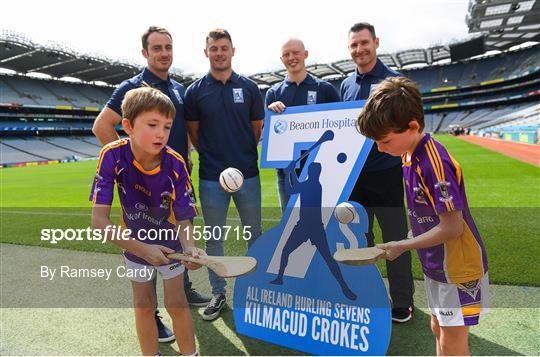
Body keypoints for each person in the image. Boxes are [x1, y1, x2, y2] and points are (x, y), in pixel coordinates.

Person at [91, 26, 210, 343]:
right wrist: (132, 166)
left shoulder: (178, 90)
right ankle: (154, 324)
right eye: (157, 47)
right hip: (138, 226)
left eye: (169, 47)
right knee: (144, 302)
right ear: (145, 52)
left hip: (173, 194)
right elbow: (102, 125)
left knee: (178, 295)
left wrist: (189, 247)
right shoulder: (131, 87)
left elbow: (184, 217)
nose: (164, 53)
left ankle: (181, 296)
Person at [357, 76, 489, 356]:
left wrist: (402, 245)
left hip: (457, 267)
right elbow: (424, 214)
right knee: (437, 329)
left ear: (413, 126)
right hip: (436, 263)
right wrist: (409, 237)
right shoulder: (407, 156)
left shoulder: (433, 162)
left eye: (384, 141)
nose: (380, 149)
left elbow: (452, 227)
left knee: (453, 341)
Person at [184, 28, 264, 321]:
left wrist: (240, 155)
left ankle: (254, 291)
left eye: (224, 48)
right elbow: (194, 133)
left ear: (233, 50)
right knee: (214, 236)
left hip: (248, 174)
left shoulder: (251, 88)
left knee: (254, 234)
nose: (219, 53)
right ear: (206, 52)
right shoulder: (195, 91)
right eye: (214, 48)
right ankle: (219, 293)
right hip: (210, 177)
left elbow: (257, 129)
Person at [340, 22, 414, 322]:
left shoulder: (394, 81)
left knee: (395, 239)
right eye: (354, 45)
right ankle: (368, 295)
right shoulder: (344, 85)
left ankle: (402, 301)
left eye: (364, 43)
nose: (360, 49)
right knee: (360, 240)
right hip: (354, 177)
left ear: (376, 42)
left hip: (387, 173)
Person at [265, 38, 340, 212]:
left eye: (296, 53)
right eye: (286, 54)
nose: (291, 57)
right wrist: (271, 114)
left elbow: (338, 128)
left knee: (324, 222)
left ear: (305, 54)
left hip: (320, 171)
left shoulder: (325, 89)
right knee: (290, 225)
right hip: (287, 173)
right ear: (282, 59)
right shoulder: (273, 94)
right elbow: (271, 135)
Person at [270, 160, 357, 301]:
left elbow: (291, 189)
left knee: (328, 259)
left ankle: (344, 287)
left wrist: (290, 172)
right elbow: (296, 187)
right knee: (286, 250)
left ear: (313, 173)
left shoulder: (314, 185)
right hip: (304, 225)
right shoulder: (313, 184)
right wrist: (290, 173)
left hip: (313, 226)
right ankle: (279, 278)